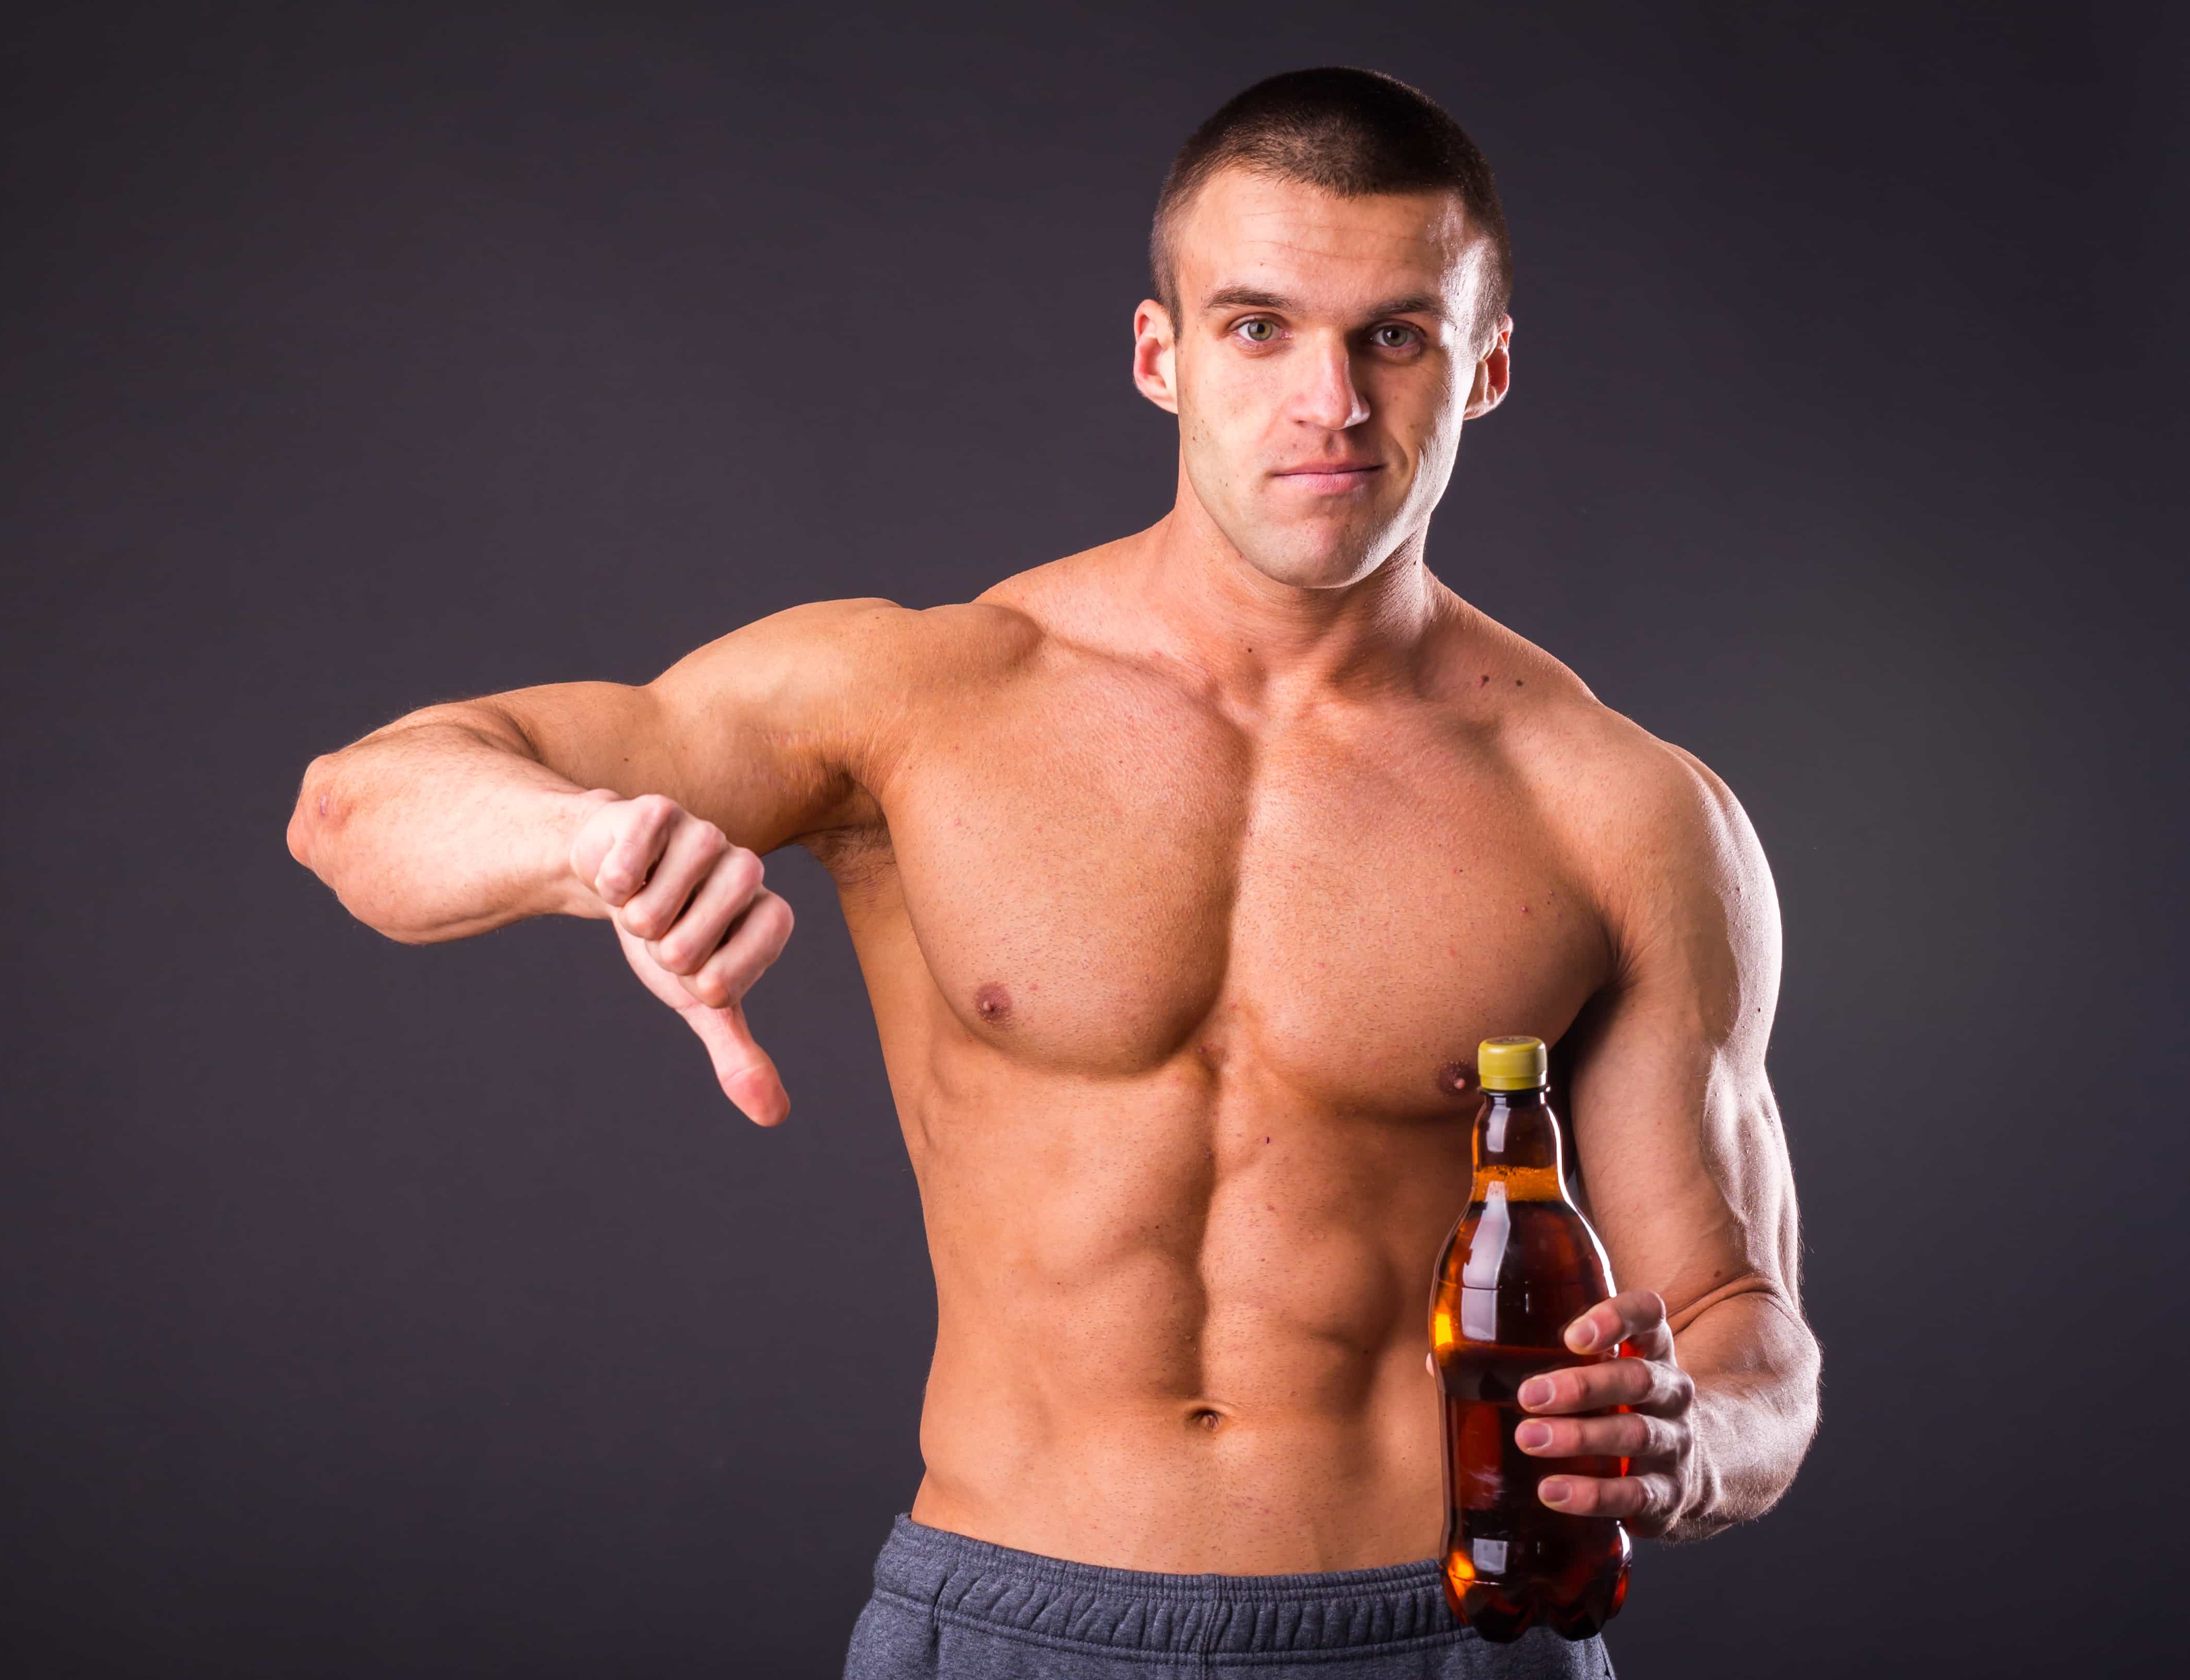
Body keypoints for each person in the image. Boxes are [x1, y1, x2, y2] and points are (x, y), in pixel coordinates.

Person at [286, 67, 1819, 1678]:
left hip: (1448, 1633)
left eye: (1395, 334)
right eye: (1256, 328)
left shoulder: (1627, 811)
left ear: (1484, 368)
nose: (1330, 404)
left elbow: (1740, 1319)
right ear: (1160, 354)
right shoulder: (925, 699)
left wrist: (1696, 1439)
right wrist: (585, 843)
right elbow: (360, 808)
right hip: (1014, 1617)